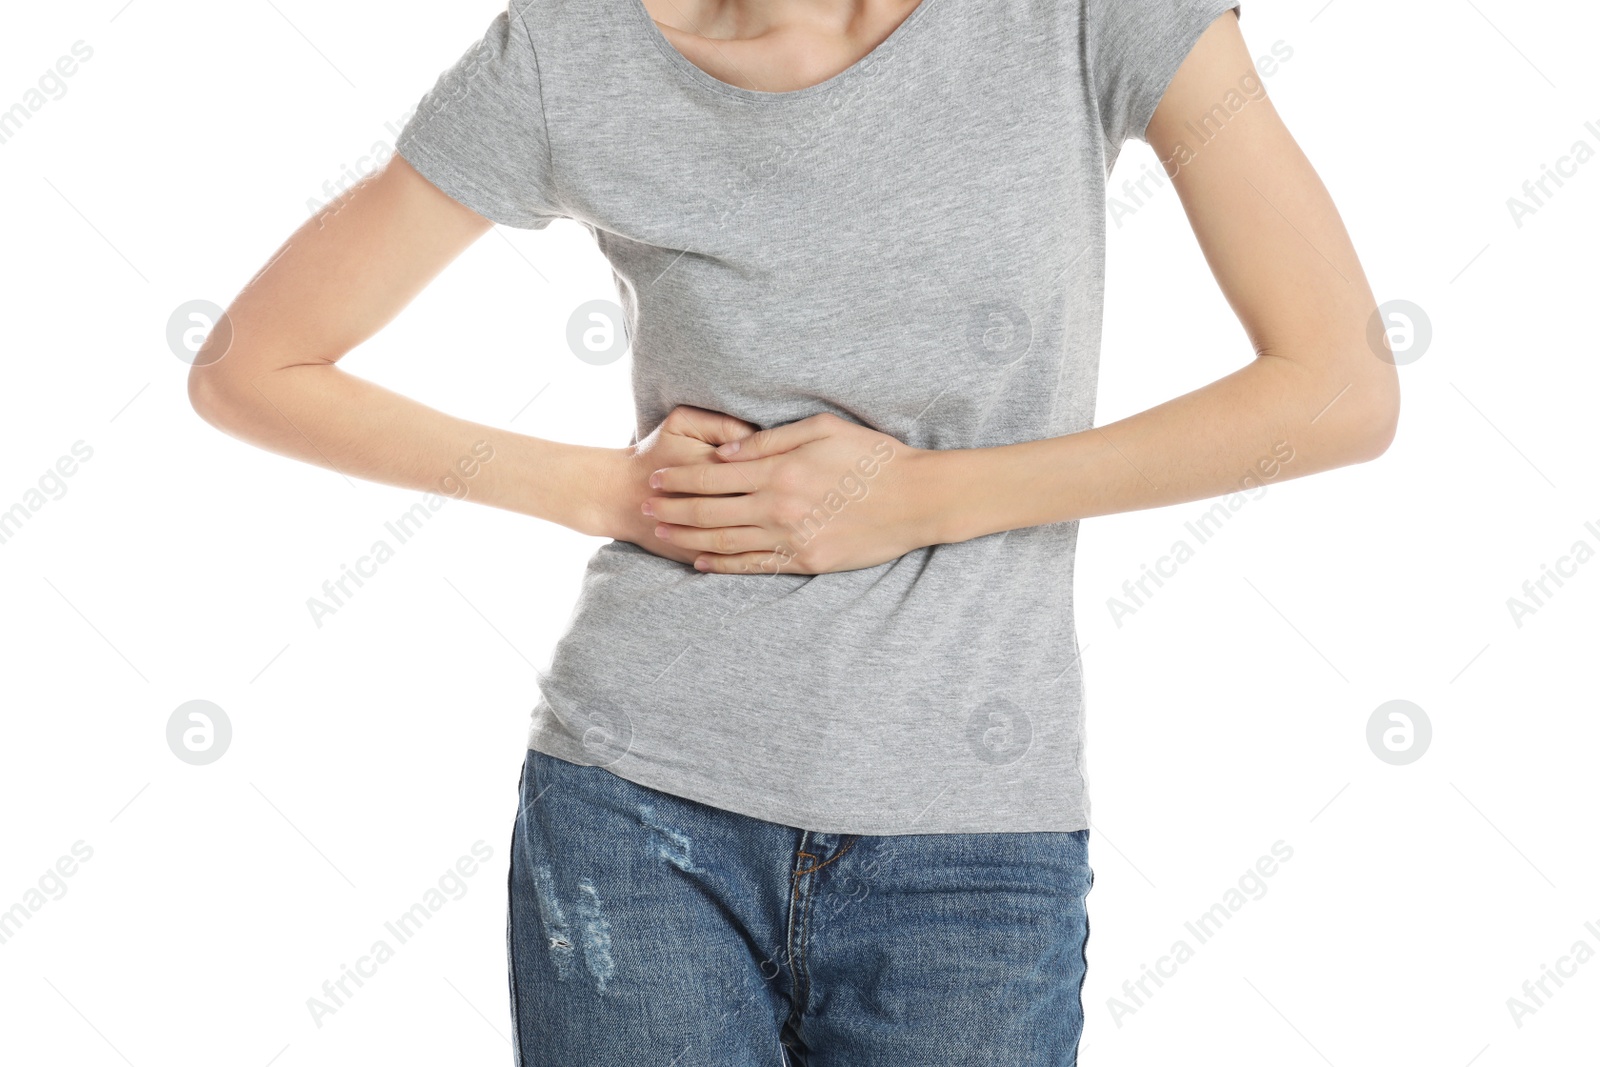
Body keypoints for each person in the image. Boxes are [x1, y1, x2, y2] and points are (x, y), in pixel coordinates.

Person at [189, 0, 1399, 1062]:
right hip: (636, 812)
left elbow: (1338, 388)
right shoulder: (571, 52)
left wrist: (919, 496)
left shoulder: (1088, 16)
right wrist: (606, 491)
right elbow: (252, 366)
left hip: (973, 840)